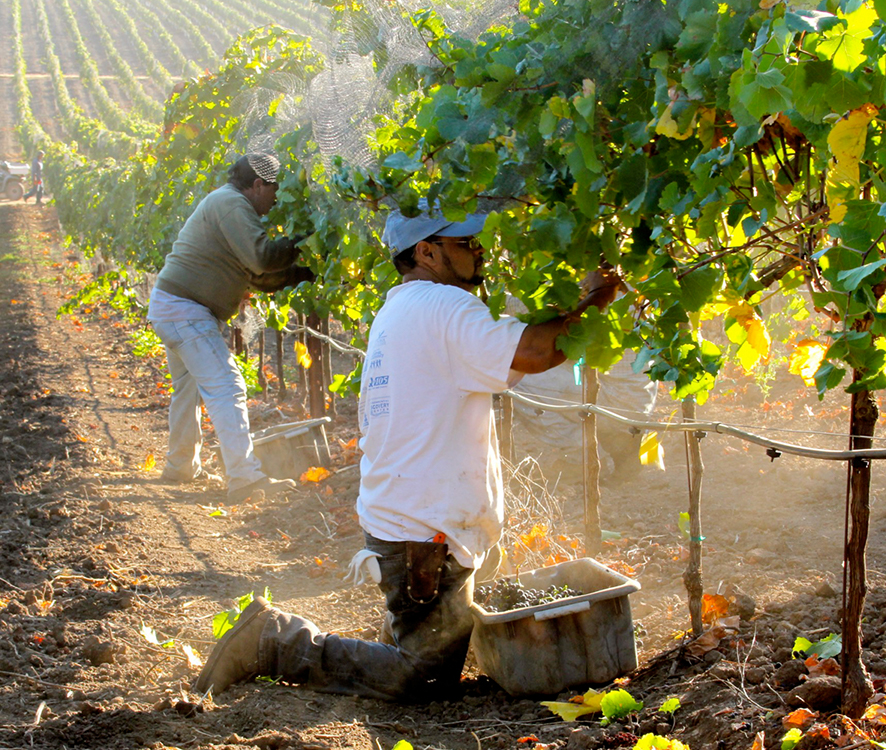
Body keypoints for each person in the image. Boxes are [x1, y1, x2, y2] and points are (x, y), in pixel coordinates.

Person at [193, 204, 621, 701]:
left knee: (431, 647)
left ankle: (402, 632)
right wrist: (597, 297)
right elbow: (533, 352)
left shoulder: (403, 307)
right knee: (421, 677)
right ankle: (275, 640)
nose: (479, 250)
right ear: (426, 251)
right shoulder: (444, 308)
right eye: (465, 243)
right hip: (424, 534)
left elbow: (506, 362)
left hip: (410, 522)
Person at [147, 153, 315, 501]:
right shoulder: (231, 203)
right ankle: (245, 478)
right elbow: (264, 258)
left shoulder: (229, 205)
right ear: (257, 185)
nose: (276, 200)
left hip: (174, 307)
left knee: (189, 391)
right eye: (275, 191)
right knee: (227, 385)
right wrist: (307, 236)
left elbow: (260, 278)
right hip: (185, 311)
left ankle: (180, 466)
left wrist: (310, 273)